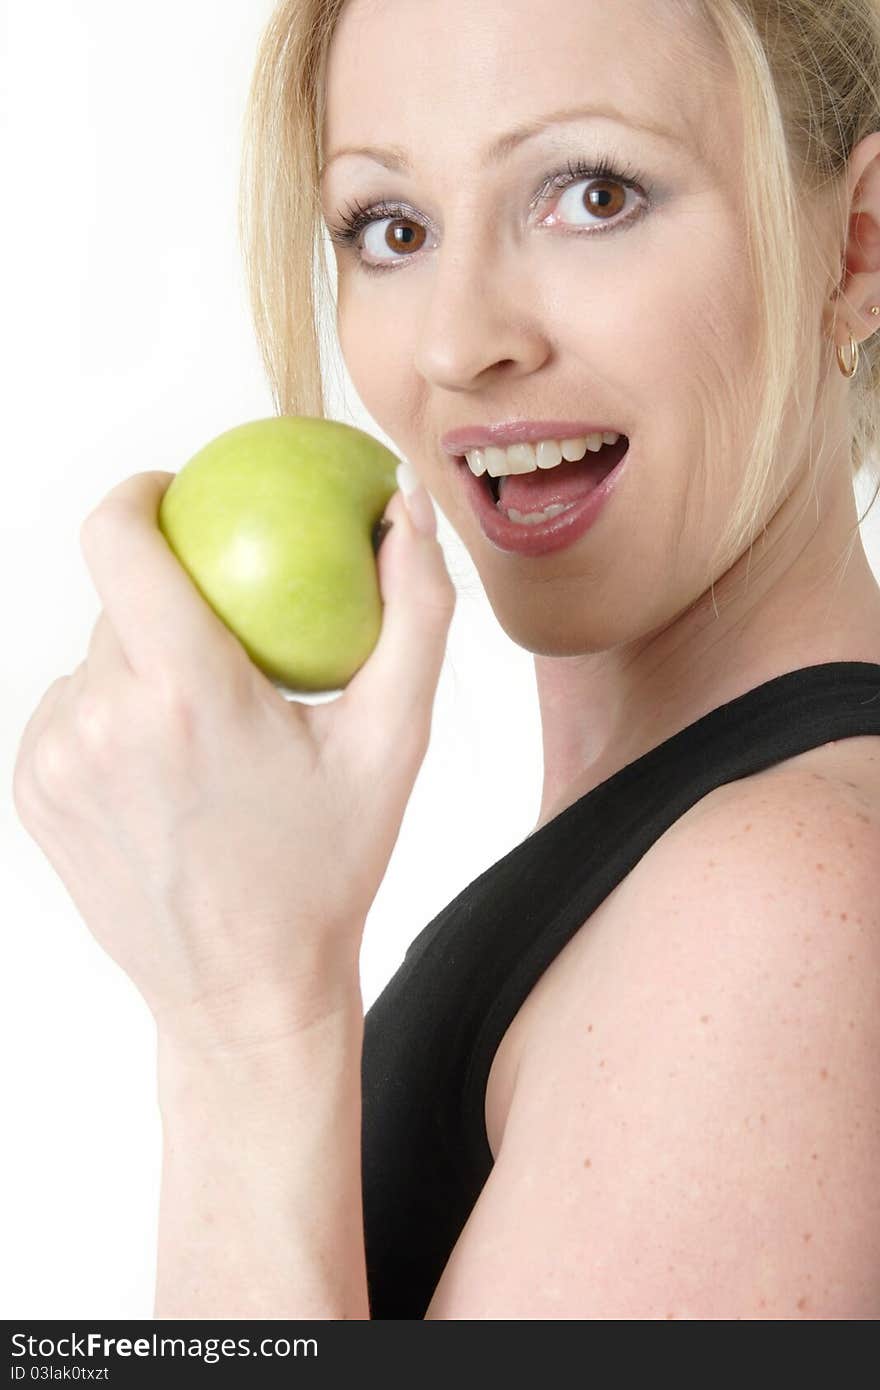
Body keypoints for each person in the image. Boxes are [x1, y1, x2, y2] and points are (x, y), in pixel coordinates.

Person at [12, 0, 880, 1320]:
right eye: (392, 228)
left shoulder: (788, 908)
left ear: (859, 248)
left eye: (594, 192)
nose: (457, 340)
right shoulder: (692, 859)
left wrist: (249, 1027)